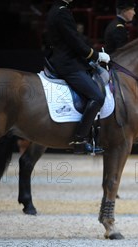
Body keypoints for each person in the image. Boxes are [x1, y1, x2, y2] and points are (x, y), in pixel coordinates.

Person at [46, 0, 110, 154]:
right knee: (97, 96)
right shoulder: (62, 12)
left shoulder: (56, 9)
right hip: (68, 64)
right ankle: (80, 139)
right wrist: (95, 55)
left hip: (63, 59)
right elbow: (74, 41)